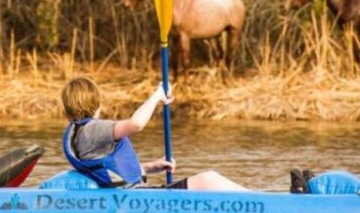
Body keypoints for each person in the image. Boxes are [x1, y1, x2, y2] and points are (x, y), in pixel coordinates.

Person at [61, 77, 248, 191]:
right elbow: (135, 124)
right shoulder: (92, 130)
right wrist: (157, 95)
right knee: (209, 179)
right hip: (137, 198)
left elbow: (114, 173)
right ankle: (266, 205)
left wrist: (151, 167)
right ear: (96, 103)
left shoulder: (80, 133)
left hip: (132, 195)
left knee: (209, 180)